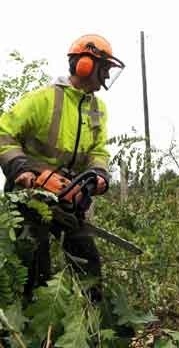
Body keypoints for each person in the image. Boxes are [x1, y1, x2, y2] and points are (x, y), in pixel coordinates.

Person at [0, 34, 125, 301]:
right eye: (103, 70)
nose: (104, 79)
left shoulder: (97, 108)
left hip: (67, 196)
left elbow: (98, 150)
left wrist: (99, 174)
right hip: (29, 195)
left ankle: (93, 323)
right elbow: (4, 132)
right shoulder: (44, 99)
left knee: (87, 262)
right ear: (84, 65)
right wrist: (21, 168)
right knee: (34, 265)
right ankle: (30, 328)